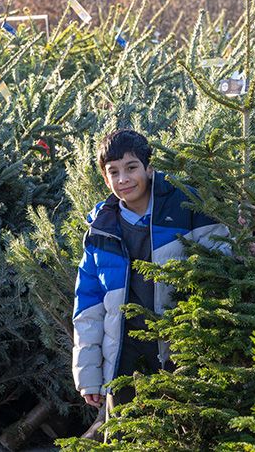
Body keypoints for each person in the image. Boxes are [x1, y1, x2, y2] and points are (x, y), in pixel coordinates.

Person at [72, 129, 229, 437]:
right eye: (113, 172)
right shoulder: (101, 231)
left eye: (131, 168)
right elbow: (88, 308)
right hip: (125, 357)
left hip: (181, 349)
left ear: (149, 168)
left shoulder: (184, 204)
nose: (123, 179)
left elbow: (221, 259)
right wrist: (89, 374)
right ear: (105, 179)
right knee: (124, 437)